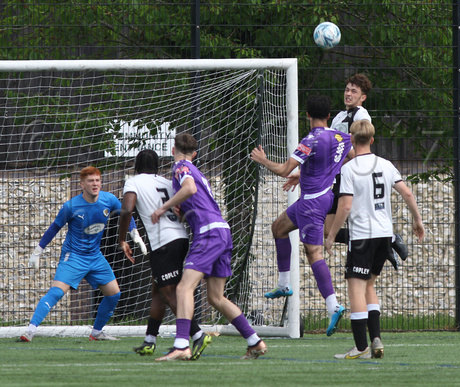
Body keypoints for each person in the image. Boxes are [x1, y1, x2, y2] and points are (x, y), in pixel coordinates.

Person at [151, 133, 267, 361]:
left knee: (183, 289)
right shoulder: (199, 172)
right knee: (216, 297)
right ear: (195, 153)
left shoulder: (181, 167)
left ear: (174, 150)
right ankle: (255, 342)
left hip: (209, 233)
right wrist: (184, 211)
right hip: (222, 231)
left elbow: (189, 189)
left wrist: (163, 208)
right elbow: (197, 199)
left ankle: (182, 344)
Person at [250, 94, 352, 336]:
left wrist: (263, 160)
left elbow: (284, 170)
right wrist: (307, 174)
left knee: (314, 253)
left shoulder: (309, 141)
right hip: (323, 197)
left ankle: (333, 306)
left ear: (307, 115)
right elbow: (349, 158)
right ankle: (284, 285)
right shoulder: (341, 137)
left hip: (312, 203)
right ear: (329, 115)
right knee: (278, 228)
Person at [284, 74, 407, 268]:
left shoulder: (361, 116)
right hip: (338, 176)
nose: (348, 94)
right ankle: (388, 242)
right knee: (328, 228)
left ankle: (386, 241)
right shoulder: (340, 117)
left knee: (357, 222)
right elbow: (330, 150)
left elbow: (355, 151)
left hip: (354, 177)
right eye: (347, 89)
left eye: (354, 91)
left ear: (362, 97)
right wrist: (302, 173)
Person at [326, 120, 425, 359]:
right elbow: (407, 192)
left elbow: (345, 205)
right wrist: (417, 220)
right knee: (369, 285)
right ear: (372, 140)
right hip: (384, 236)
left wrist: (330, 235)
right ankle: (376, 338)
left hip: (361, 237)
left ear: (351, 139)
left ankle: (361, 347)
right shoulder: (386, 164)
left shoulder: (348, 169)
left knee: (356, 290)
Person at [18, 166, 139, 342]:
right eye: (91, 181)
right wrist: (38, 251)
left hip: (95, 257)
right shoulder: (71, 206)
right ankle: (30, 330)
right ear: (82, 184)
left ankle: (96, 332)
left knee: (114, 294)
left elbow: (126, 213)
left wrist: (133, 231)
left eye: (97, 180)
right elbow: (54, 228)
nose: (95, 184)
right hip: (73, 256)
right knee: (57, 293)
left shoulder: (109, 199)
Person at [117, 149, 212, 360]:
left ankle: (197, 333)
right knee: (158, 289)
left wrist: (122, 239)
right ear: (158, 166)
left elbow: (126, 210)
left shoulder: (133, 182)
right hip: (181, 238)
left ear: (136, 166)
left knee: (170, 294)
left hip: (163, 243)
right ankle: (150, 340)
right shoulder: (167, 182)